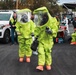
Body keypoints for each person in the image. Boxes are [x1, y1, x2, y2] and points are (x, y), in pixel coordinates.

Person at [33, 7, 58, 71]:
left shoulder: (52, 20)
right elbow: (37, 29)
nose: (42, 15)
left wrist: (51, 31)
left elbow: (55, 29)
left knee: (48, 53)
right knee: (41, 52)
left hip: (48, 41)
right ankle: (41, 65)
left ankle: (48, 64)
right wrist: (34, 35)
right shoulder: (40, 21)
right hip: (41, 40)